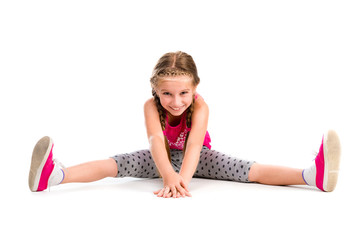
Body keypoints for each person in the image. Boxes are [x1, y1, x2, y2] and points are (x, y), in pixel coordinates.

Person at [28, 51, 342, 197]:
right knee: (115, 164)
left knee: (251, 171)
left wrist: (181, 182)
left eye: (183, 93)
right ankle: (55, 176)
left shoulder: (201, 106)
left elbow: (194, 146)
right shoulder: (151, 106)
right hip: (159, 158)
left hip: (200, 160)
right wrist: (167, 175)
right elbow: (155, 143)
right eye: (167, 94)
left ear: (194, 88)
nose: (176, 102)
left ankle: (310, 176)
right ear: (155, 90)